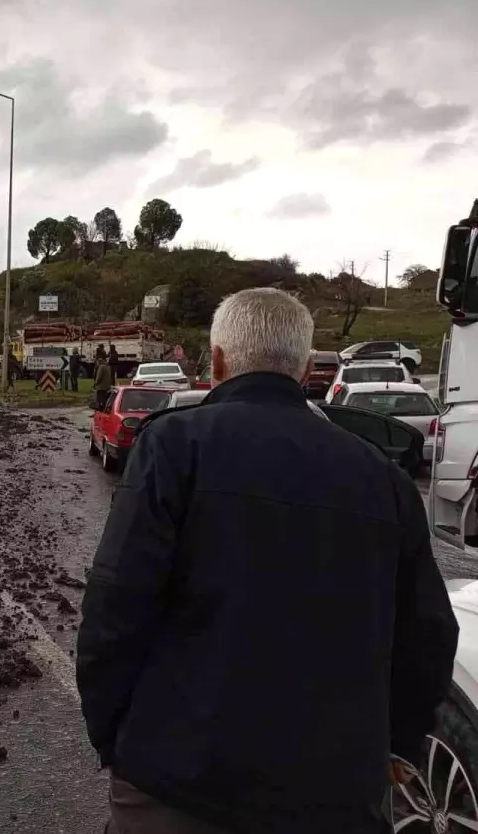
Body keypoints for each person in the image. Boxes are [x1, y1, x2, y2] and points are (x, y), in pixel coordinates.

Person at [75, 287, 458, 834]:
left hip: (178, 781)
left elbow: (116, 609)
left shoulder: (175, 447)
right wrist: (392, 745)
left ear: (218, 361)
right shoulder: (384, 478)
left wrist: (116, 738)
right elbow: (427, 637)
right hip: (334, 795)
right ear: (305, 371)